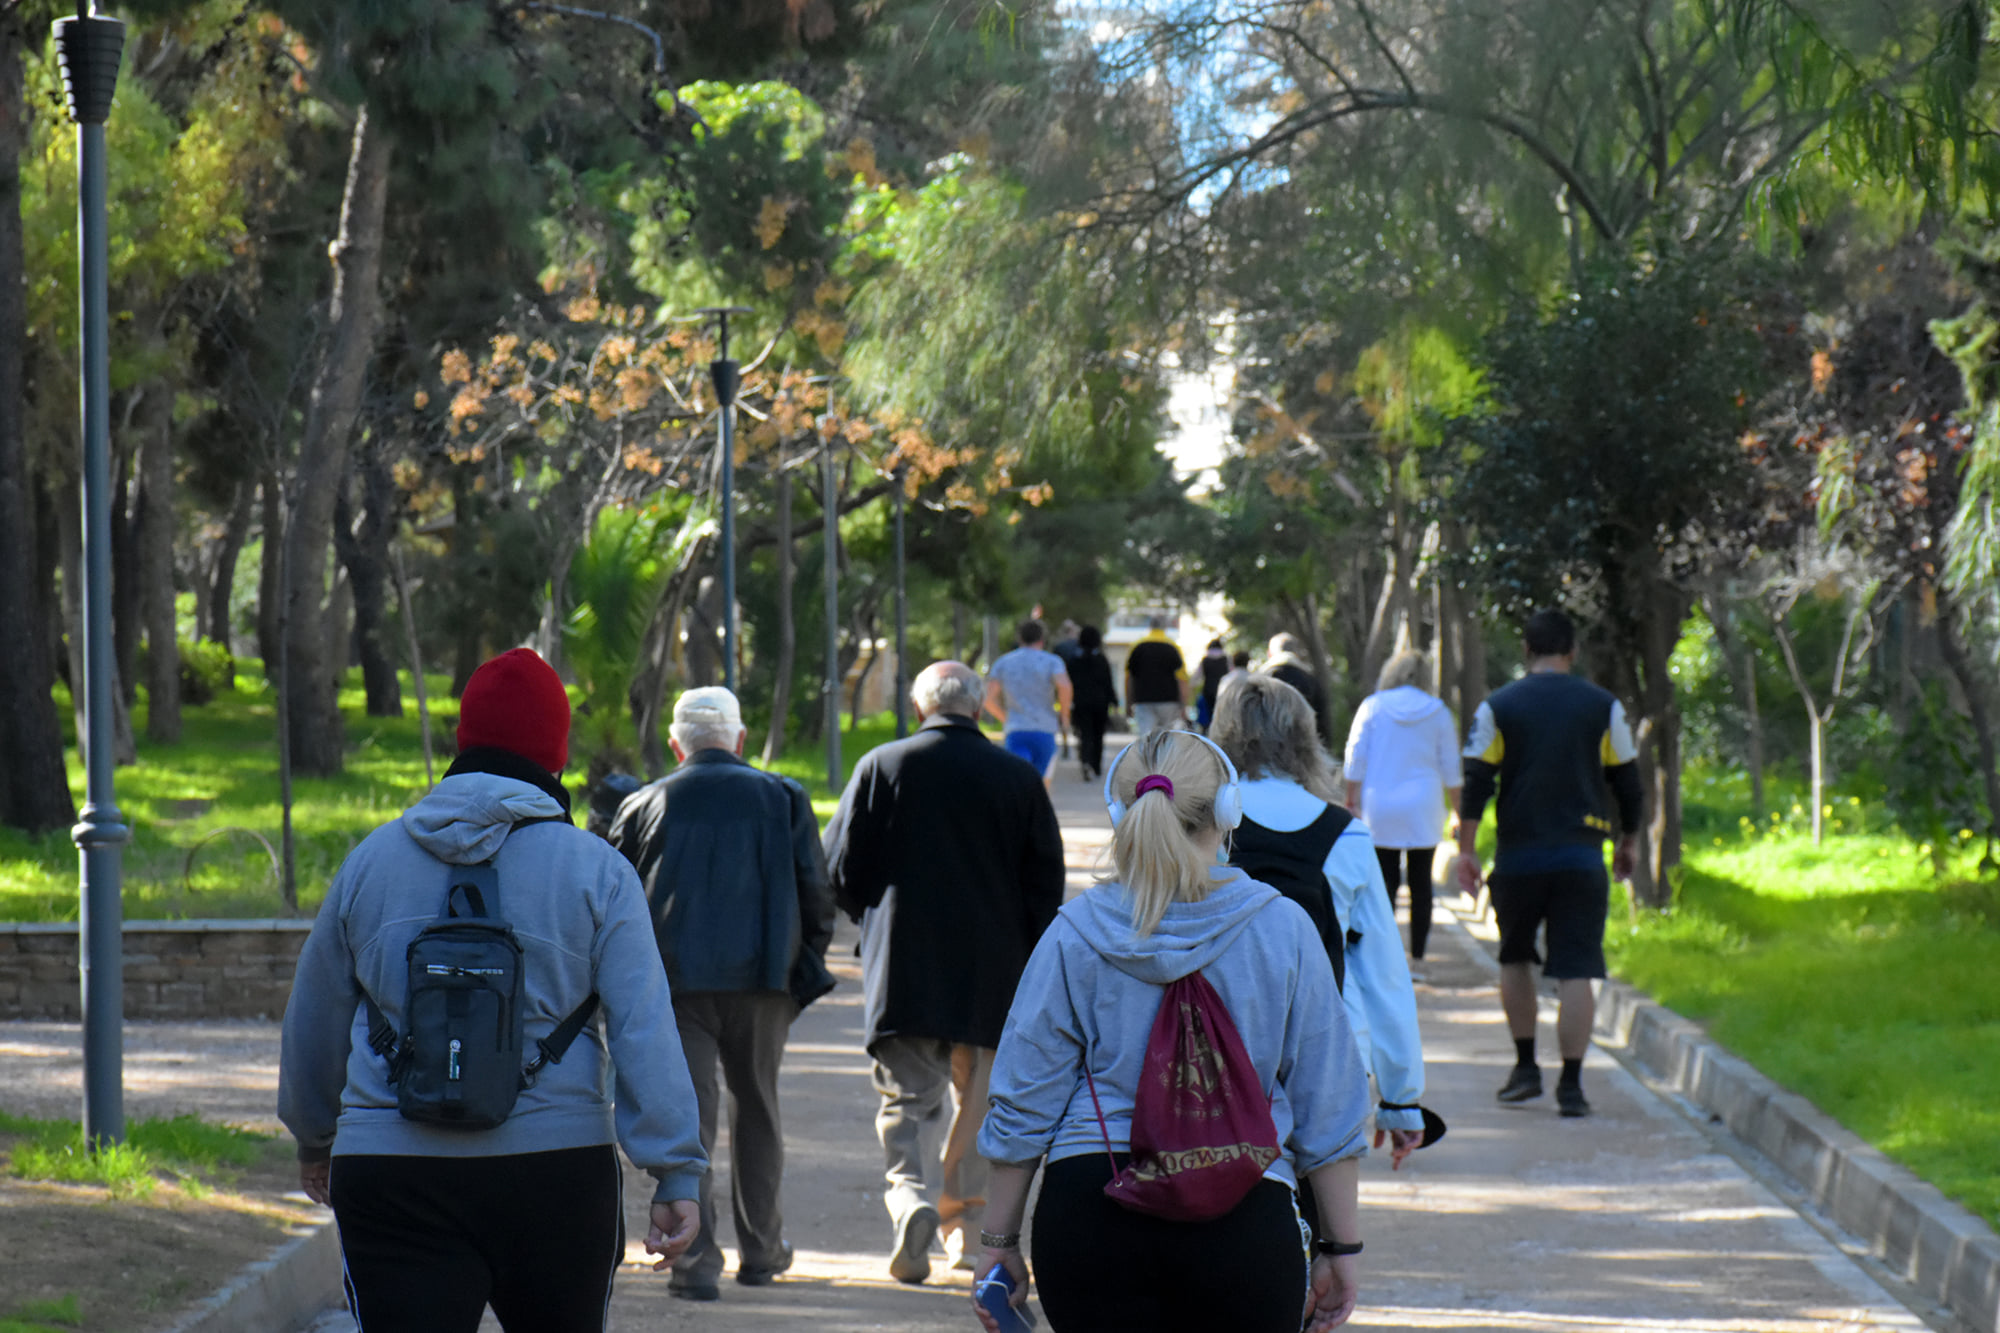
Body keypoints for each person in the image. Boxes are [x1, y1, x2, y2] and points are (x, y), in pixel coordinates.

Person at [278, 647, 706, 1333]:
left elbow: (314, 1016)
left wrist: (315, 1136)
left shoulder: (370, 863)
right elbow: (643, 1029)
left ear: (461, 742)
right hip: (557, 1172)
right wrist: (674, 1170)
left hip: (391, 1170)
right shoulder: (598, 872)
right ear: (558, 755)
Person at [974, 729, 1371, 1333]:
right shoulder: (1283, 929)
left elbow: (1024, 1097)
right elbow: (1330, 1104)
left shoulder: (1075, 932)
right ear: (1228, 811)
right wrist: (1340, 1249)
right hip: (1243, 1215)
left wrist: (998, 1240)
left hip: (1092, 1212)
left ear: (1120, 815)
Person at [824, 661, 1066, 1283]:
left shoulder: (883, 765)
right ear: (981, 707)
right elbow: (1046, 885)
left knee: (906, 1104)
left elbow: (841, 868)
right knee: (979, 1109)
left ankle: (911, 1202)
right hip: (993, 976)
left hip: (905, 972)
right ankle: (967, 1235)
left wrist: (872, 921)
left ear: (917, 705)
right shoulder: (1017, 778)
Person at [606, 686, 836, 1301]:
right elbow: (817, 892)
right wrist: (804, 963)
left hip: (675, 988)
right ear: (738, 739)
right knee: (758, 1110)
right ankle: (762, 1251)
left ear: (677, 744)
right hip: (764, 982)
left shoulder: (644, 802)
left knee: (690, 1120)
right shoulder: (783, 796)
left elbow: (615, 900)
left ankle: (694, 1262)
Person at [1212, 675, 1428, 1180]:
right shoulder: (1345, 834)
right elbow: (1382, 973)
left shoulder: (1202, 824)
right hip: (1323, 1057)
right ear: (1306, 739)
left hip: (1213, 1051)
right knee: (1325, 1232)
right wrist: (1401, 1101)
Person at [1455, 609, 1643, 1118]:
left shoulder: (1498, 706)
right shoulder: (1603, 706)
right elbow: (1628, 781)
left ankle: (1524, 1069)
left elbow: (1477, 781)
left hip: (1518, 857)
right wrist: (1629, 842)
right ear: (1572, 652)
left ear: (1525, 649)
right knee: (1577, 967)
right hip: (1582, 856)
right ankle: (1573, 1086)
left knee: (1515, 959)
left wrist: (1466, 850)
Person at [1343, 651, 1463, 964]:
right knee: (1422, 883)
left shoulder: (1373, 706)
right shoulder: (1437, 711)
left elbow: (1355, 757)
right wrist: (1459, 811)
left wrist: (1350, 799)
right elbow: (1451, 767)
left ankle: (1385, 957)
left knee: (1384, 883)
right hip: (1424, 805)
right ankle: (1419, 959)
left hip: (1379, 804)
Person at [984, 619, 1073, 788]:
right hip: (1045, 729)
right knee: (1042, 783)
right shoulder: (1052, 661)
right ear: (1042, 639)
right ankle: (1039, 813)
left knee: (1017, 781)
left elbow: (987, 698)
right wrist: (1064, 715)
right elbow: (1064, 686)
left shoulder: (1003, 662)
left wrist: (1004, 717)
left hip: (1016, 729)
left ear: (1020, 639)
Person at [1124, 613, 1187, 736]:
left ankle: (1148, 756)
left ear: (1150, 626)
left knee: (1146, 738)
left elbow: (1129, 678)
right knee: (1167, 737)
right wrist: (1184, 706)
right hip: (1168, 701)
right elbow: (1182, 679)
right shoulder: (1173, 647)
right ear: (1165, 627)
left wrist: (1128, 703)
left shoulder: (1137, 647)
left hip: (1143, 700)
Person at [1068, 624, 1117, 780]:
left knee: (1084, 733)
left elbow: (1068, 684)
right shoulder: (1101, 660)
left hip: (1080, 702)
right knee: (1098, 735)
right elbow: (1108, 682)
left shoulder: (1073, 661)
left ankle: (1085, 760)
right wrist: (1113, 701)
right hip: (1099, 703)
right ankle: (1096, 765)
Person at [1195, 637, 1230, 732]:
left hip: (1207, 691)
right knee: (1220, 715)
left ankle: (1207, 732)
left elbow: (1196, 677)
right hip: (1222, 691)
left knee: (1207, 715)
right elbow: (1232, 673)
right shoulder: (1226, 659)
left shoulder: (1205, 660)